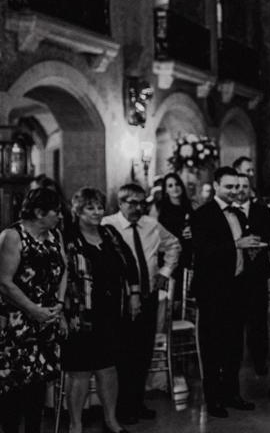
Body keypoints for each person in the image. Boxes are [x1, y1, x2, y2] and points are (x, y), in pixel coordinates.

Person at [61, 188, 141, 433]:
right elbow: (58, 276)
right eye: (90, 208)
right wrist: (61, 312)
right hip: (80, 315)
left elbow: (130, 264)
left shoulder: (110, 233)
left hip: (110, 312)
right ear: (78, 211)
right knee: (80, 373)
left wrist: (134, 294)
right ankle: (76, 425)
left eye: (99, 207)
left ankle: (111, 421)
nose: (97, 212)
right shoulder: (67, 236)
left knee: (108, 369)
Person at [101, 183, 180, 425]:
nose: (137, 208)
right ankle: (122, 407)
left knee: (143, 352)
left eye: (141, 203)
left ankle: (138, 401)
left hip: (148, 294)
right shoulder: (108, 225)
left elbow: (174, 245)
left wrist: (165, 272)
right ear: (120, 203)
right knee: (123, 353)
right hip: (122, 299)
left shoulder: (151, 225)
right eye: (131, 203)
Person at [190, 166, 260, 418]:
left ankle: (233, 393)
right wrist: (235, 245)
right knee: (212, 349)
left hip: (237, 288)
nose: (235, 191)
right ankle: (213, 400)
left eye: (238, 187)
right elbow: (203, 250)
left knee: (234, 347)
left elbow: (240, 250)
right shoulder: (202, 214)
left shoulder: (239, 215)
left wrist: (249, 251)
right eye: (229, 187)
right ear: (216, 186)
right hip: (212, 291)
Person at [0, 188, 66, 433]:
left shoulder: (54, 235)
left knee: (38, 385)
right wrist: (33, 310)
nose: (59, 216)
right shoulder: (12, 236)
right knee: (14, 388)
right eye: (55, 211)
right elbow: (5, 282)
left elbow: (64, 268)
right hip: (17, 322)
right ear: (39, 212)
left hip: (46, 319)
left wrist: (59, 305)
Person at [234, 172, 270, 376]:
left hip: (258, 271)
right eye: (237, 186)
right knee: (236, 320)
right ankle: (235, 360)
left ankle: (260, 361)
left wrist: (258, 243)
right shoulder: (229, 212)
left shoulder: (261, 210)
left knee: (258, 320)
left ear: (250, 189)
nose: (241, 190)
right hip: (235, 274)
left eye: (244, 186)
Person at [153, 173, 193, 303]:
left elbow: (202, 227)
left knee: (184, 289)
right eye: (170, 185)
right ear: (165, 190)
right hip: (167, 251)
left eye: (177, 184)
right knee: (168, 290)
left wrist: (194, 231)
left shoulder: (191, 205)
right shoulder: (159, 208)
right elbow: (152, 229)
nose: (175, 188)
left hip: (187, 250)